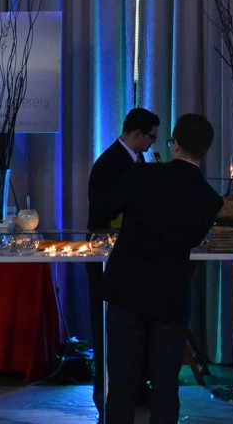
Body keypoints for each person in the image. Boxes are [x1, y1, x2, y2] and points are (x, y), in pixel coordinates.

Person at [97, 113, 224, 424]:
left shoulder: (142, 174)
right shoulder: (210, 200)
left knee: (122, 385)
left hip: (127, 290)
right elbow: (191, 241)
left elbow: (106, 207)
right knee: (166, 387)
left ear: (175, 144)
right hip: (170, 296)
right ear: (204, 150)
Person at [87, 107, 160, 421]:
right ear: (137, 134)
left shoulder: (136, 161)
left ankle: (132, 391)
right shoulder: (110, 164)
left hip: (131, 259)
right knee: (108, 331)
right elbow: (104, 211)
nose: (153, 143)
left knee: (132, 330)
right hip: (109, 259)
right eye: (151, 137)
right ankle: (105, 395)